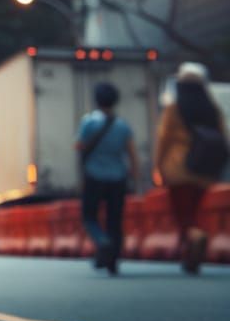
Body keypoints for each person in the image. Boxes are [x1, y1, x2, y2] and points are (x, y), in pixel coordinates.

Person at [155, 63, 230, 274]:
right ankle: (189, 256)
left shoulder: (174, 108)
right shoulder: (213, 110)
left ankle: (195, 237)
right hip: (204, 171)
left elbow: (163, 139)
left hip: (178, 169)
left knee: (182, 215)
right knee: (196, 210)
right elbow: (223, 138)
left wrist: (158, 165)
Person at [75, 82, 138, 275]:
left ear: (96, 100)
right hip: (118, 178)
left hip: (94, 176)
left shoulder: (89, 122)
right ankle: (113, 260)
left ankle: (102, 242)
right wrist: (135, 176)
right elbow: (131, 153)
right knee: (115, 219)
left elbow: (79, 146)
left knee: (89, 215)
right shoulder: (122, 125)